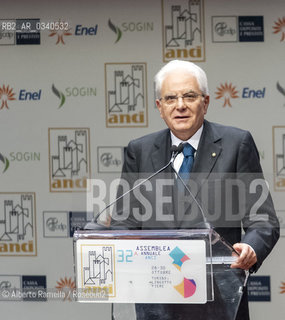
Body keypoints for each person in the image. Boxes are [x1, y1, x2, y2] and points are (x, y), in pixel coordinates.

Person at [110, 60, 280, 320]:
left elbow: (263, 219)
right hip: (157, 300)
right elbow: (124, 221)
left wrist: (251, 248)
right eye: (170, 98)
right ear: (159, 107)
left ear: (206, 101)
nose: (180, 105)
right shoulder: (140, 151)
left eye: (189, 96)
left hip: (219, 298)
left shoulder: (237, 144)